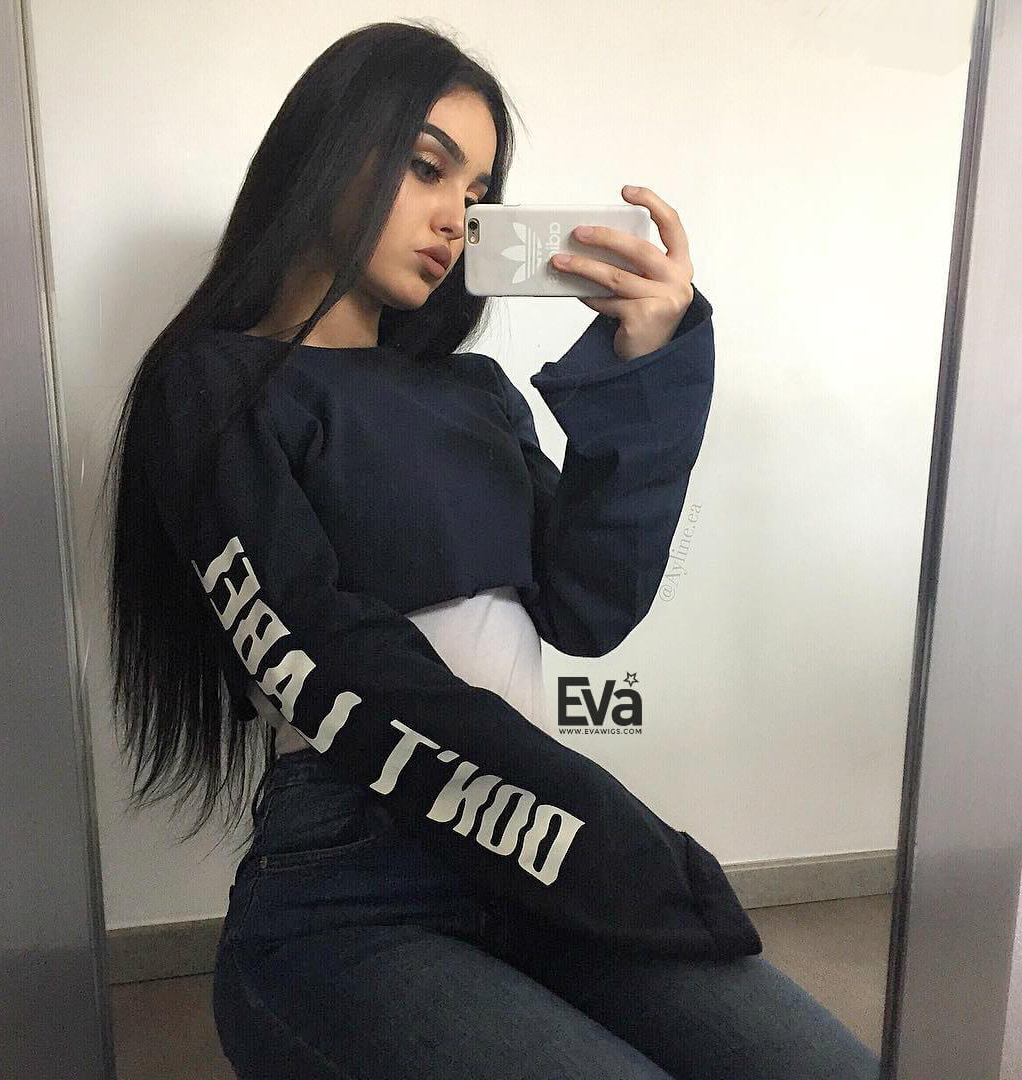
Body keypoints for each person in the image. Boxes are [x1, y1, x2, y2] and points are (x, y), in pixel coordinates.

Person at [101, 18, 882, 1079]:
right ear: (328, 145)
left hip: (534, 854)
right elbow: (324, 651)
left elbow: (587, 608)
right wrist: (593, 825)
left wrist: (645, 366)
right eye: (427, 168)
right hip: (353, 881)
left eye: (478, 196)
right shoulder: (216, 385)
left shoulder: (474, 394)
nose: (453, 219)